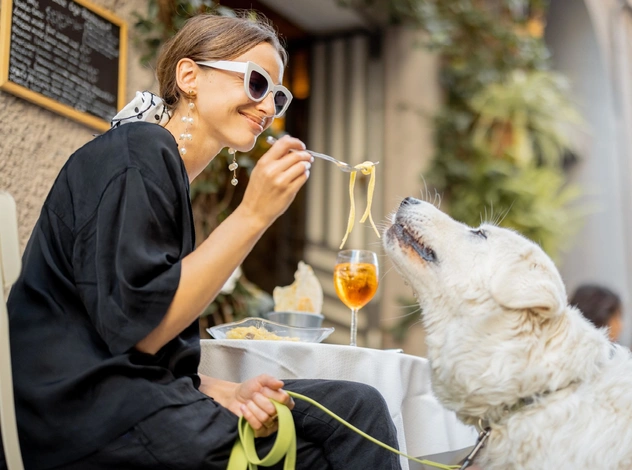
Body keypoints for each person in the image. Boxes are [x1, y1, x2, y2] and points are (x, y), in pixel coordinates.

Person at [3, 13, 402, 470]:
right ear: (189, 76)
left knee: (356, 408)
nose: (269, 107)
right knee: (336, 441)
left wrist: (227, 391)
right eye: (256, 83)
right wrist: (253, 214)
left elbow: (140, 344)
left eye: (278, 95)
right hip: (87, 416)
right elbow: (144, 330)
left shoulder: (155, 166)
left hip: (128, 398)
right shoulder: (138, 153)